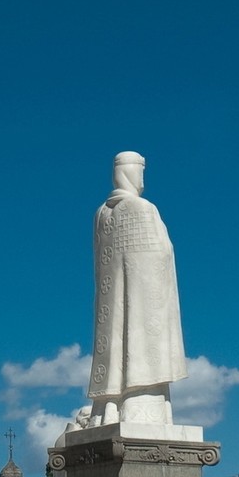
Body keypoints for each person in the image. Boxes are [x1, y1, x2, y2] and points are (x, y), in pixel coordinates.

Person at [87, 151, 187, 427]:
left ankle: (109, 403)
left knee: (114, 335)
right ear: (133, 173)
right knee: (139, 340)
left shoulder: (101, 214)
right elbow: (158, 253)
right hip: (143, 299)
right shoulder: (143, 209)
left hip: (110, 298)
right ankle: (140, 399)